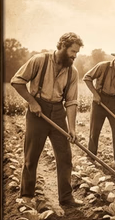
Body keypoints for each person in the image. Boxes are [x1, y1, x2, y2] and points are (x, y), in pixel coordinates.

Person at [11, 32, 85, 207]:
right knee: (32, 155)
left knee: (65, 155)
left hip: (58, 112)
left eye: (77, 53)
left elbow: (72, 101)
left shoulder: (72, 72)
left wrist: (72, 129)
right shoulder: (39, 61)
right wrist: (32, 102)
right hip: (37, 112)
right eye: (73, 51)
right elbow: (17, 81)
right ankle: (27, 195)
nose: (75, 56)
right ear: (62, 47)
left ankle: (66, 198)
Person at [84, 48, 115, 163]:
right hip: (99, 100)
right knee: (94, 130)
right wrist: (95, 94)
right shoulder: (102, 66)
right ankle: (91, 156)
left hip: (114, 102)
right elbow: (87, 78)